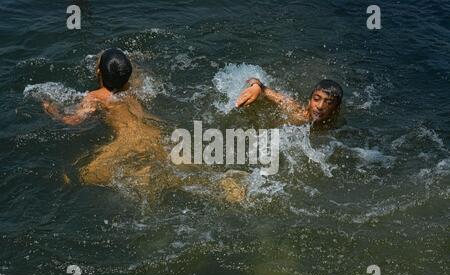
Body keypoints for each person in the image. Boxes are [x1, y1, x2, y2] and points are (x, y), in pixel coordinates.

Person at [42, 48, 247, 202]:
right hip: (156, 133)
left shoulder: (95, 97)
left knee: (78, 175)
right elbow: (132, 72)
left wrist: (51, 109)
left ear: (98, 72)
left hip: (127, 142)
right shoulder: (133, 88)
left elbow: (73, 121)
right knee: (191, 169)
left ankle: (145, 177)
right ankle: (225, 185)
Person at [235, 78, 343, 128]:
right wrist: (256, 88)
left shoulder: (333, 124)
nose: (320, 106)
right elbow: (255, 81)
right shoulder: (295, 110)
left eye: (328, 103)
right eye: (316, 99)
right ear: (309, 101)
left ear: (336, 109)